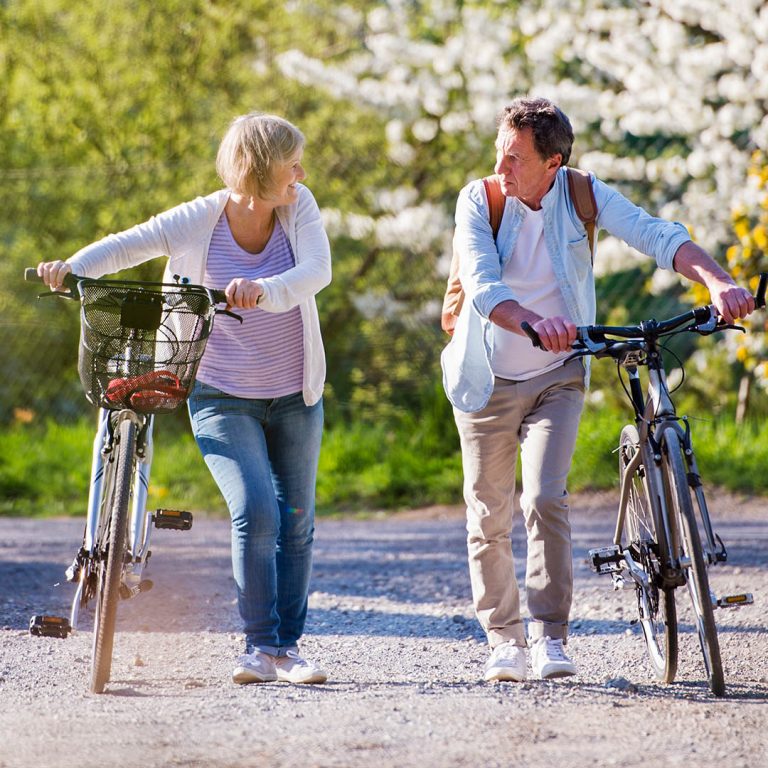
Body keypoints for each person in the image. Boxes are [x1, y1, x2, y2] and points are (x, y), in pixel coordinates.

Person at [441, 96, 754, 682]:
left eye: (514, 159)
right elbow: (481, 283)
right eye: (499, 156)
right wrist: (534, 324)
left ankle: (548, 635)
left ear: (552, 163)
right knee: (488, 512)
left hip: (558, 373)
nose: (501, 169)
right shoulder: (478, 200)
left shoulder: (582, 192)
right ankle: (504, 640)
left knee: (544, 498)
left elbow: (655, 235)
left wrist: (718, 281)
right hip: (487, 375)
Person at [37, 112, 332, 686]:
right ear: (261, 168)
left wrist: (265, 290)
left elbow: (316, 272)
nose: (301, 170)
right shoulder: (203, 217)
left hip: (295, 389)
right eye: (291, 161)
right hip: (222, 393)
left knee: (297, 521)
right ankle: (260, 646)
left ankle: (289, 650)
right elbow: (132, 243)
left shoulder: (300, 207)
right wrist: (71, 267)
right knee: (256, 510)